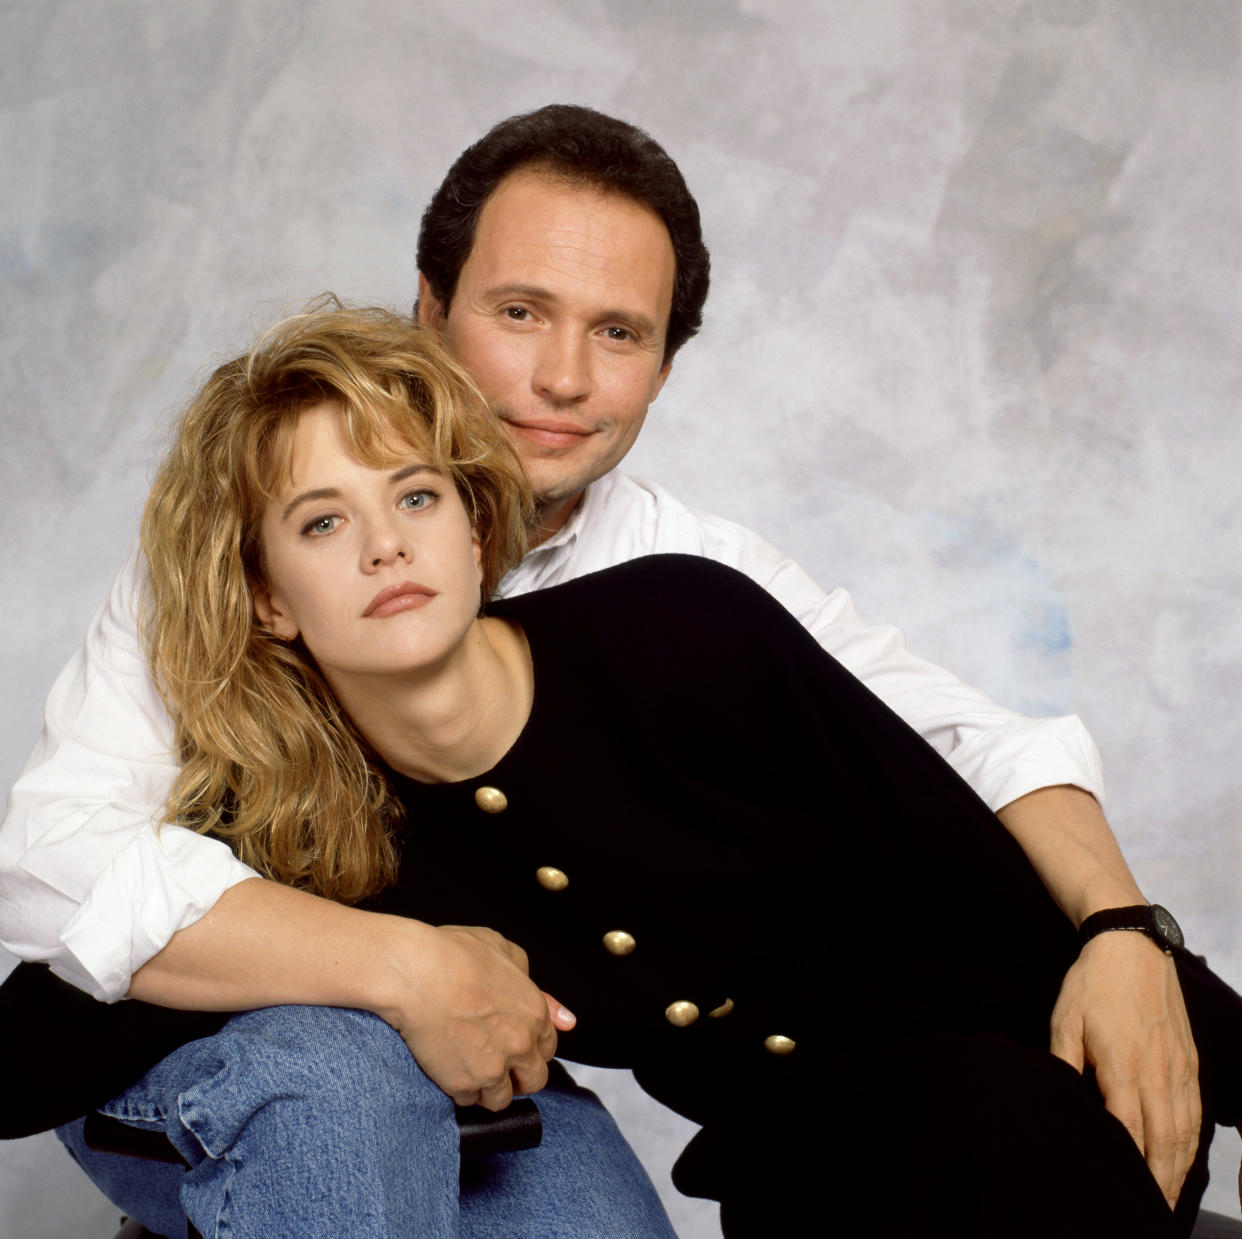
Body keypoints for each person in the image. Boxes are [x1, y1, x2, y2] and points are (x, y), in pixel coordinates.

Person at [0, 105, 1209, 1208]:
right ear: (430, 312)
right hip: (199, 1041)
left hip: (484, 1056)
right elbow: (54, 867)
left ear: (666, 368)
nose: (564, 379)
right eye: (520, 312)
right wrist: (405, 965)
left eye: (617, 333)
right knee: (340, 1082)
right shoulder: (257, 561)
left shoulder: (694, 591)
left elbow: (965, 741)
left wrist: (1120, 933)